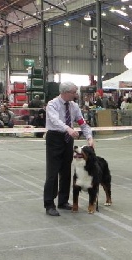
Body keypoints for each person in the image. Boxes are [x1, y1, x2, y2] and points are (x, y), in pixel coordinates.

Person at [43, 82, 94, 216]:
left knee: (66, 172)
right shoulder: (52, 104)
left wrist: (89, 137)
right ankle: (49, 204)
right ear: (65, 92)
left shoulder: (74, 106)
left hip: (67, 139)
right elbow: (54, 121)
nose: (75, 94)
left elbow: (82, 122)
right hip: (54, 138)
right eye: (73, 92)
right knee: (52, 173)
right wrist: (68, 129)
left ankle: (63, 201)